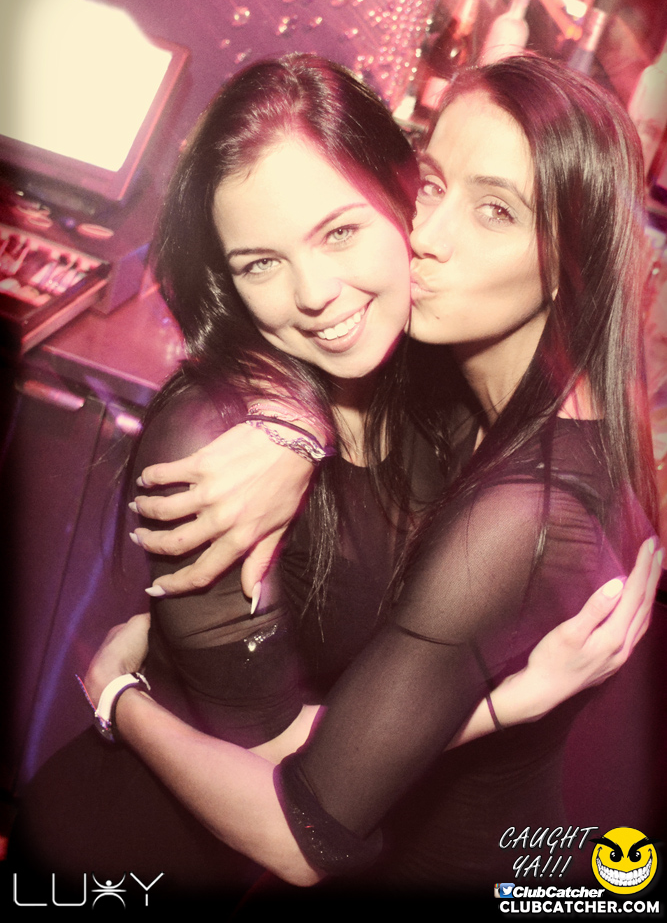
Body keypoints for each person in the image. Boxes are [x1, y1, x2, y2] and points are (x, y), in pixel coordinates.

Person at [76, 53, 661, 905]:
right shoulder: (461, 391)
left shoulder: (521, 508)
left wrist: (116, 697)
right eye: (432, 185)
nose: (428, 237)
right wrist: (296, 427)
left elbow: (303, 833)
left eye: (495, 210)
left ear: (571, 259)